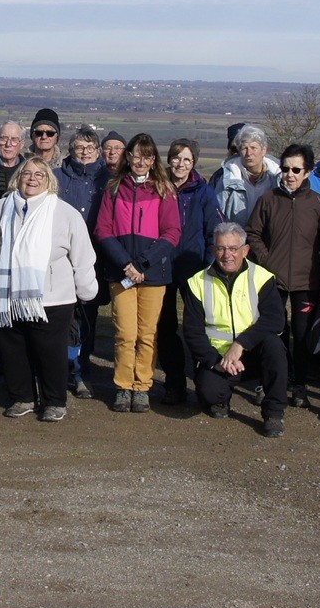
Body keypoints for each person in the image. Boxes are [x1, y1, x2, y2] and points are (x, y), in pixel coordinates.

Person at [0, 159, 98, 421]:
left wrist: (87, 290)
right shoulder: (0, 208)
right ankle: (21, 397)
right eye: (27, 173)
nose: (32, 179)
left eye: (40, 174)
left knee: (50, 352)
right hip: (8, 293)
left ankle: (54, 401)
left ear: (49, 180)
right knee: (13, 350)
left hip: (52, 296)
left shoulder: (64, 212)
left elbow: (82, 254)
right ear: (17, 178)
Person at [244, 143, 320, 412]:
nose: (290, 174)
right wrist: (267, 260)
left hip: (307, 283)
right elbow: (253, 233)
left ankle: (300, 385)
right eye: (285, 168)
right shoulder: (269, 200)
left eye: (296, 169)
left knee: (303, 335)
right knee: (274, 333)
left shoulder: (319, 205)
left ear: (307, 171)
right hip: (272, 279)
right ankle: (271, 382)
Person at [93, 132, 181, 414]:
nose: (140, 161)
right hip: (121, 274)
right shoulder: (113, 188)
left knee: (147, 334)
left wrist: (142, 264)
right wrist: (126, 264)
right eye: (135, 155)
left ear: (153, 159)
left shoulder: (164, 189)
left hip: (153, 274)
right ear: (127, 157)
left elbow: (172, 233)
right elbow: (103, 230)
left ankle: (142, 387)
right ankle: (122, 386)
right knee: (125, 333)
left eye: (147, 156)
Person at [181, 223, 289, 438]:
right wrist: (216, 361)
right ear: (213, 251)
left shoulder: (262, 277)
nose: (226, 255)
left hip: (253, 354)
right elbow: (193, 332)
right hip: (219, 358)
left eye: (233, 248)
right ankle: (221, 400)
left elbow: (275, 320)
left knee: (275, 347)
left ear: (245, 250)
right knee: (208, 393)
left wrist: (241, 345)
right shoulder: (197, 282)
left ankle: (273, 413)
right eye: (221, 248)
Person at [156, 137, 220, 406]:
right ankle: (174, 384)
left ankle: (204, 383)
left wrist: (207, 268)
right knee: (166, 328)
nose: (180, 164)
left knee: (197, 329)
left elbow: (212, 232)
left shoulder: (203, 192)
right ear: (168, 159)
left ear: (193, 162)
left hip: (194, 269)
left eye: (186, 159)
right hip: (162, 268)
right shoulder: (157, 187)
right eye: (176, 158)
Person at [55, 125, 108, 398]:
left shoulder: (110, 179)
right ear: (70, 150)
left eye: (90, 148)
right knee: (62, 317)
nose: (84, 152)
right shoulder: (56, 179)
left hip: (96, 259)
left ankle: (81, 368)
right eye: (79, 147)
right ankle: (60, 368)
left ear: (98, 151)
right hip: (60, 261)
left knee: (88, 316)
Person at [214, 124, 279, 225]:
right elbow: (218, 214)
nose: (249, 153)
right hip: (236, 237)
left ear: (264, 150)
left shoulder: (276, 178)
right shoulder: (228, 179)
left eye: (253, 148)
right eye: (244, 148)